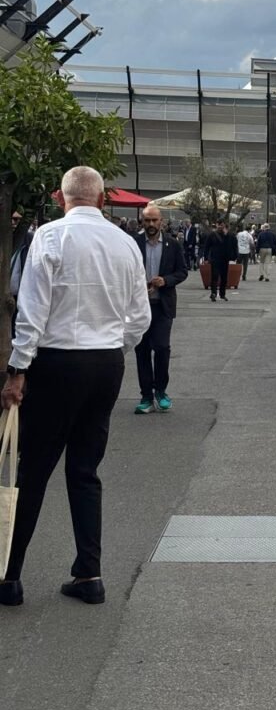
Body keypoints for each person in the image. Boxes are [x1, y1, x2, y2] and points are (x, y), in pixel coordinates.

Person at [0, 166, 151, 607]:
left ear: (60, 198)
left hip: (57, 360)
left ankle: (9, 575)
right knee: (85, 470)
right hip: (105, 362)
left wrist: (17, 370)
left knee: (33, 469)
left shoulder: (48, 237)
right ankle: (89, 573)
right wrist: (112, 346)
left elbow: (31, 312)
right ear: (103, 200)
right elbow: (139, 317)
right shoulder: (126, 243)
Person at [133, 206, 188, 414]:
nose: (151, 225)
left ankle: (161, 391)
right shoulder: (134, 243)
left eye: (154, 220)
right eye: (147, 221)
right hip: (140, 306)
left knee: (162, 348)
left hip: (163, 306)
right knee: (142, 350)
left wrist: (166, 280)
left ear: (162, 221)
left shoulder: (172, 245)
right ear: (142, 221)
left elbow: (182, 271)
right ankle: (146, 395)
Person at [203, 219, 238, 301]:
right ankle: (213, 293)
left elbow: (234, 245)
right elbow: (207, 247)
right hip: (215, 258)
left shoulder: (229, 235)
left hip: (225, 259)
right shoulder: (212, 235)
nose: (220, 227)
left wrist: (234, 257)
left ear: (224, 225)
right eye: (218, 225)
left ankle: (222, 294)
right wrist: (206, 258)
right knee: (214, 276)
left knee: (224, 277)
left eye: (221, 225)